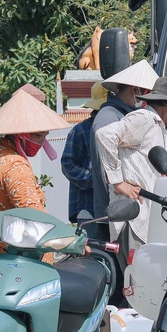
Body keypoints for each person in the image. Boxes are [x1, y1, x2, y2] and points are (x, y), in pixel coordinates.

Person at [0, 88, 70, 276]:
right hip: (11, 268)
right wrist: (69, 240)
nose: (42, 142)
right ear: (21, 134)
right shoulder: (15, 166)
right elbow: (35, 218)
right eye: (39, 136)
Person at [96, 77, 167, 257]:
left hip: (146, 215)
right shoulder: (144, 119)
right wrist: (118, 182)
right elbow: (105, 135)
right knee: (136, 281)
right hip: (134, 216)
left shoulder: (159, 127)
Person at [90, 59, 158, 239]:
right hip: (114, 211)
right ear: (136, 91)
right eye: (148, 94)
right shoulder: (109, 117)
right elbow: (103, 166)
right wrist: (119, 184)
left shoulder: (126, 116)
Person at [61, 82, 107, 231]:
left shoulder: (117, 128)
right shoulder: (80, 131)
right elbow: (68, 165)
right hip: (88, 208)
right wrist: (96, 180)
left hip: (112, 209)